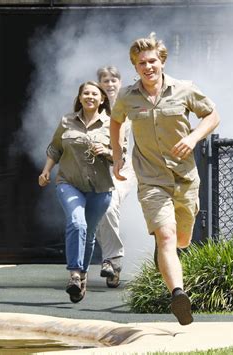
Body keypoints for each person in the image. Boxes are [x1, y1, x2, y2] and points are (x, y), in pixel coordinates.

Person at [110, 34, 220, 325]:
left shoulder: (184, 89)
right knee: (167, 236)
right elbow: (116, 120)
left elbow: (213, 115)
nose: (147, 67)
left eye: (152, 61)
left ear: (161, 62)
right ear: (135, 67)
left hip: (184, 177)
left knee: (181, 238)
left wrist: (194, 137)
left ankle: (167, 248)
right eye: (141, 63)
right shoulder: (127, 96)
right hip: (150, 178)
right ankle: (178, 295)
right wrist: (118, 154)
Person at [39, 81, 114, 303]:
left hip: (100, 188)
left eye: (95, 94)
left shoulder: (112, 124)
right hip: (69, 182)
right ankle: (73, 273)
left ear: (102, 100)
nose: (90, 97)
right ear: (80, 97)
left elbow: (121, 154)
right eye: (86, 93)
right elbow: (55, 148)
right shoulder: (67, 121)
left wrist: (107, 151)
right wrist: (46, 172)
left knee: (89, 234)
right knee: (77, 223)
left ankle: (82, 276)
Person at [95, 66, 137, 288]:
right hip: (98, 169)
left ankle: (112, 259)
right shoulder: (94, 108)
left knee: (109, 205)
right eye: (105, 80)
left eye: (113, 80)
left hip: (125, 167)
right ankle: (112, 263)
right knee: (102, 211)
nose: (109, 84)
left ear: (119, 83)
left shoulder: (129, 106)